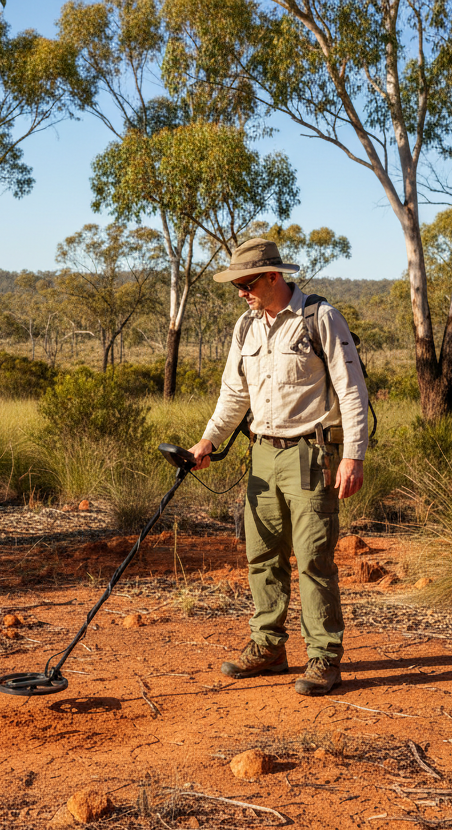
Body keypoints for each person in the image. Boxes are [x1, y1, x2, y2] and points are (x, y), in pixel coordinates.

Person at [188, 238, 369, 696]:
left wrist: (353, 455)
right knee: (262, 554)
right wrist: (209, 439)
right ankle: (268, 647)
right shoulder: (245, 328)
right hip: (261, 455)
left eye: (247, 283)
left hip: (311, 454)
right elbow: (234, 395)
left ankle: (324, 658)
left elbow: (352, 392)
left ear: (274, 276)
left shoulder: (320, 318)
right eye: (236, 286)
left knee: (313, 558)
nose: (242, 292)